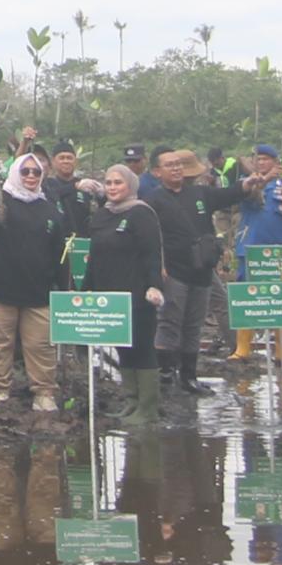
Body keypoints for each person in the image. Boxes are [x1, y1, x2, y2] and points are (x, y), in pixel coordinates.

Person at [146, 148, 262, 395]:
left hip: (201, 269)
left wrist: (247, 183)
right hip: (173, 271)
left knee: (194, 324)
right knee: (170, 321)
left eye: (179, 164)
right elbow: (149, 237)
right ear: (157, 172)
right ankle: (165, 375)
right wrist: (159, 266)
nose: (176, 168)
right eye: (169, 165)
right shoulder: (153, 201)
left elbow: (227, 194)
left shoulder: (199, 194)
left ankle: (189, 376)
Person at [0, 149, 73, 412]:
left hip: (38, 294)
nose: (30, 176)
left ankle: (44, 392)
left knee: (41, 346)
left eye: (36, 171)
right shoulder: (1, 201)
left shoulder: (50, 209)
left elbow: (60, 253)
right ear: (16, 172)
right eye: (25, 171)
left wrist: (67, 289)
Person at [82, 162, 169, 415]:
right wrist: (86, 289)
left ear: (130, 185)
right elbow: (94, 256)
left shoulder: (141, 213)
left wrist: (155, 286)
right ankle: (131, 402)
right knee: (123, 349)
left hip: (138, 294)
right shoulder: (102, 215)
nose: (112, 187)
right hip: (110, 296)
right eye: (108, 183)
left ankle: (148, 408)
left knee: (142, 347)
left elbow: (152, 254)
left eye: (118, 182)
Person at [228, 144, 282, 370]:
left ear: (275, 162)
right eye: (257, 159)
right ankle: (243, 348)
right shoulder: (250, 183)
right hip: (250, 248)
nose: (261, 163)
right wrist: (264, 178)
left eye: (266, 159)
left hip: (279, 252)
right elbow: (247, 198)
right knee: (248, 296)